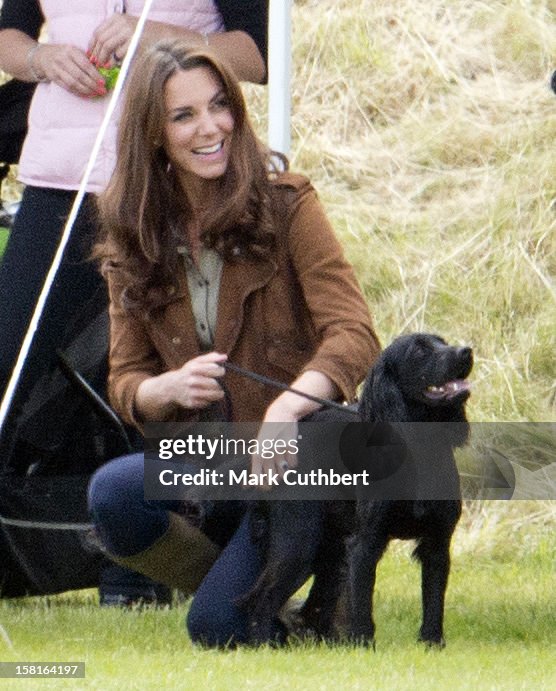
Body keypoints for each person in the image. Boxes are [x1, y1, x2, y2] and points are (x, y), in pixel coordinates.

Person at [87, 38, 380, 645]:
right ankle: (271, 600)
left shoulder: (287, 204)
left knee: (216, 630)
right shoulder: (131, 234)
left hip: (299, 464)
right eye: (184, 115)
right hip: (217, 465)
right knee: (112, 493)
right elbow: (123, 380)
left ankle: (311, 574)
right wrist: (160, 390)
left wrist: (288, 407)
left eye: (219, 105)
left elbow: (353, 332)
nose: (210, 127)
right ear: (153, 134)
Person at [0, 0, 268, 606]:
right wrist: (42, 59)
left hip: (173, 182)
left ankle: (140, 572)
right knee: (10, 354)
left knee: (160, 366)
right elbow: (8, 36)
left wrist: (159, 39)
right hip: (59, 183)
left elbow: (255, 54)